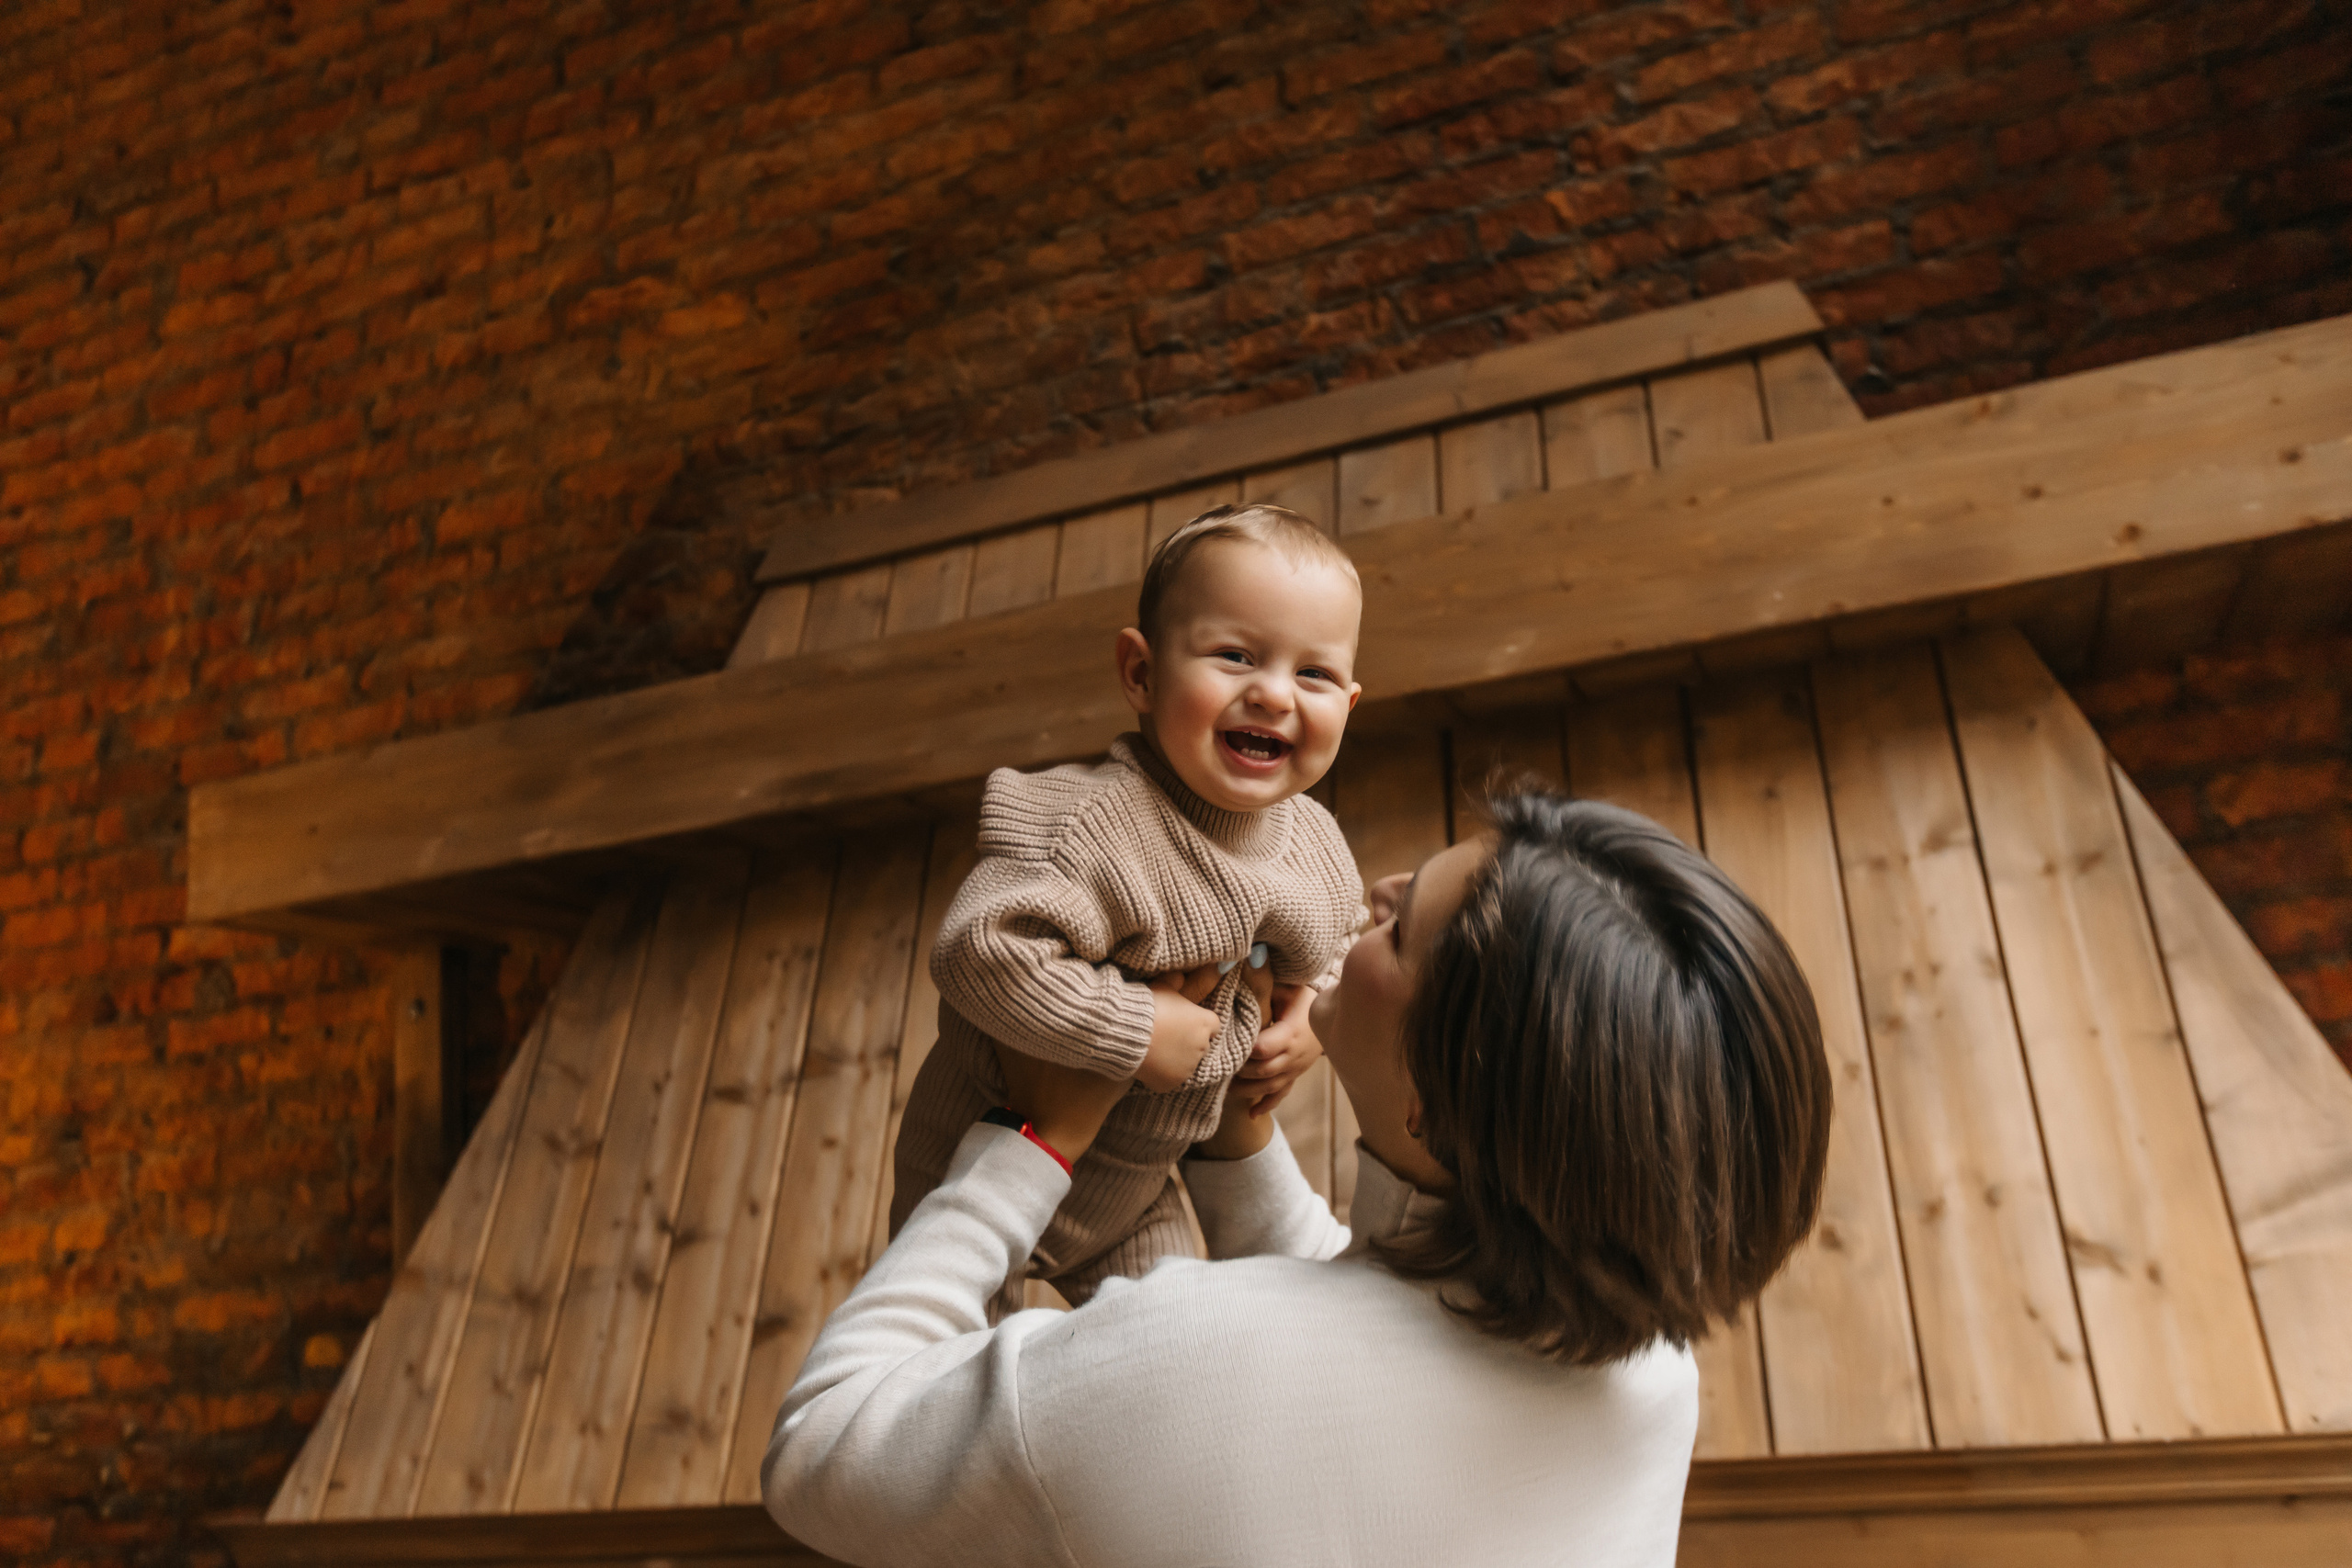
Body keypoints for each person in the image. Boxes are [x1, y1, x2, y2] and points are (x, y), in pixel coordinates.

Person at [764, 791, 1835, 1568]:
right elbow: (1380, 1343)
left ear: (1432, 1106)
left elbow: (823, 1448)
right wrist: (1237, 1139)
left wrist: (1033, 1140)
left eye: (1405, 928)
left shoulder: (1177, 1363)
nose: (1378, 888)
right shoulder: (1648, 1368)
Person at [888, 502, 1367, 1309]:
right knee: (956, 1385)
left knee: (1172, 1352)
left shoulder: (1313, 844)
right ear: (1141, 674)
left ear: (1348, 706)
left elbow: (1341, 934)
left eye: (1312, 673)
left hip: (1136, 1190)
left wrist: (1311, 1014)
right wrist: (1135, 1027)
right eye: (1235, 655)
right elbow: (981, 949)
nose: (1274, 693)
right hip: (982, 1154)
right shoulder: (1092, 825)